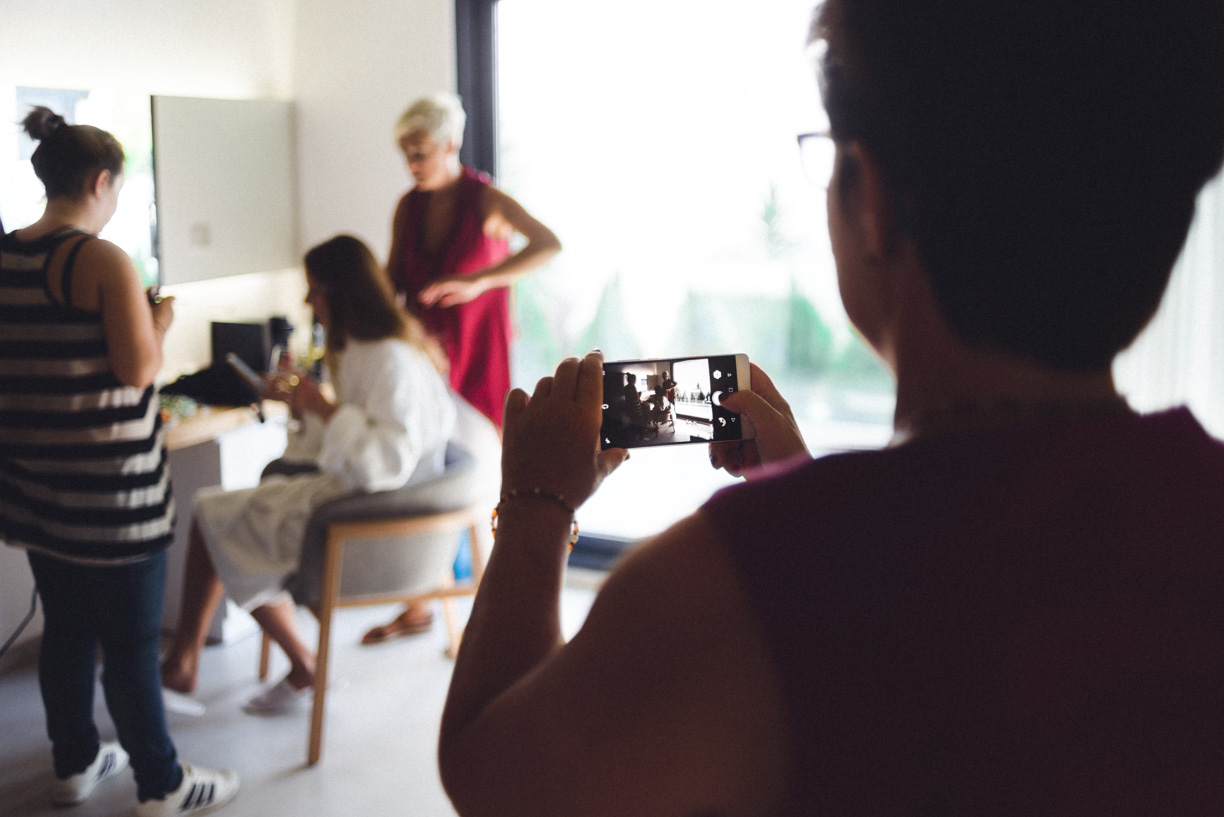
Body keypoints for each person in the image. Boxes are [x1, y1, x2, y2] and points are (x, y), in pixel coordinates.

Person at [435, 1, 1224, 815]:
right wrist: (799, 481)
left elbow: (493, 772)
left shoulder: (731, 584)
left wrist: (536, 501)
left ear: (869, 196)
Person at [0, 107, 239, 816]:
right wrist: (158, 318)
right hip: (113, 496)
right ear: (101, 181)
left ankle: (74, 764)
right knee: (131, 644)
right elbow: (138, 369)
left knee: (66, 633)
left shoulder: (6, 255)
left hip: (39, 491)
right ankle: (162, 784)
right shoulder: (100, 259)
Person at [160, 235, 456, 713]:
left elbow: (386, 462)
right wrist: (304, 405)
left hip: (367, 514)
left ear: (341, 293)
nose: (307, 301)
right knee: (222, 517)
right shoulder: (370, 352)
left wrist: (322, 407)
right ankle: (247, 661)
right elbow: (342, 445)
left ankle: (194, 661)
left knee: (213, 516)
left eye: (314, 289)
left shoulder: (389, 360)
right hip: (356, 498)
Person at [363, 91, 561, 644]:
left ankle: (493, 612)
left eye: (420, 152)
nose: (411, 163)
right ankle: (421, 600)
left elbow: (548, 244)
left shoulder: (487, 202)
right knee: (425, 472)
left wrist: (478, 282)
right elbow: (391, 282)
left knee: (483, 480)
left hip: (478, 358)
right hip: (426, 362)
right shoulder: (408, 207)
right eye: (405, 153)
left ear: (450, 145)